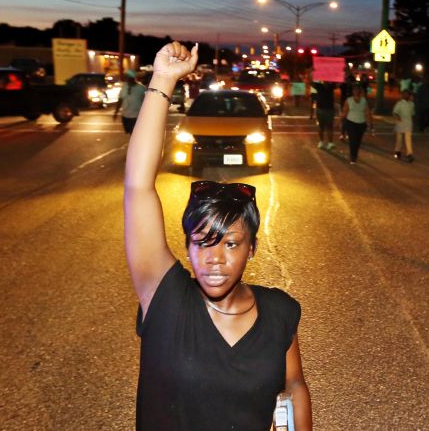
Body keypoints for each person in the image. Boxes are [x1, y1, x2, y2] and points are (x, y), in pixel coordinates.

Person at [123, 42, 312, 431]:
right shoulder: (167, 301)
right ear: (187, 247)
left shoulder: (279, 312)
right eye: (203, 242)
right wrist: (163, 80)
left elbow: (293, 384)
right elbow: (138, 186)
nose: (215, 258)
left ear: (252, 248)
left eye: (231, 243)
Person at [340, 83, 374, 164]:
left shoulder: (363, 101)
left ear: (359, 91)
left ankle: (355, 154)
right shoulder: (349, 100)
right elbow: (344, 112)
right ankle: (353, 157)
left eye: (357, 89)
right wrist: (339, 121)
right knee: (352, 140)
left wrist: (370, 123)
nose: (356, 91)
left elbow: (367, 112)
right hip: (351, 122)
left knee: (358, 141)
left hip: (361, 123)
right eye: (354, 89)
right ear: (352, 91)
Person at [113, 69, 147, 134]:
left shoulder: (141, 88)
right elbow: (120, 99)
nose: (126, 79)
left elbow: (146, 102)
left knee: (134, 133)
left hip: (136, 116)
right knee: (129, 133)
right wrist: (116, 112)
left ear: (132, 78)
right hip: (126, 116)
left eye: (128, 77)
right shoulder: (124, 86)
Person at [311, 81, 338, 150]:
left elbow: (338, 83)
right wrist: (310, 72)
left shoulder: (332, 85)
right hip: (321, 109)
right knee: (321, 127)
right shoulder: (319, 85)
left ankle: (330, 142)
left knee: (329, 127)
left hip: (329, 109)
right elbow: (310, 82)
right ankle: (321, 142)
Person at [392, 89, 416, 162]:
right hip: (401, 123)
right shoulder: (400, 104)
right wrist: (398, 117)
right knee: (399, 139)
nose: (405, 96)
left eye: (407, 94)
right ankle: (398, 151)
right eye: (404, 94)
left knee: (407, 139)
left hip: (406, 123)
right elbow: (394, 112)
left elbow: (412, 114)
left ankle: (409, 154)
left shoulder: (411, 104)